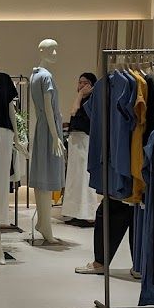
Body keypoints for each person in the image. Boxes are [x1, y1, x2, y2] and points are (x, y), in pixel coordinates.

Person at [61, 72, 99, 227]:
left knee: (84, 177)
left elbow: (74, 110)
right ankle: (74, 212)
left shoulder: (93, 100)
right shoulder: (83, 98)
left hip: (86, 139)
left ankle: (88, 213)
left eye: (85, 83)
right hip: (76, 139)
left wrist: (80, 95)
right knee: (74, 178)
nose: (81, 85)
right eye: (80, 82)